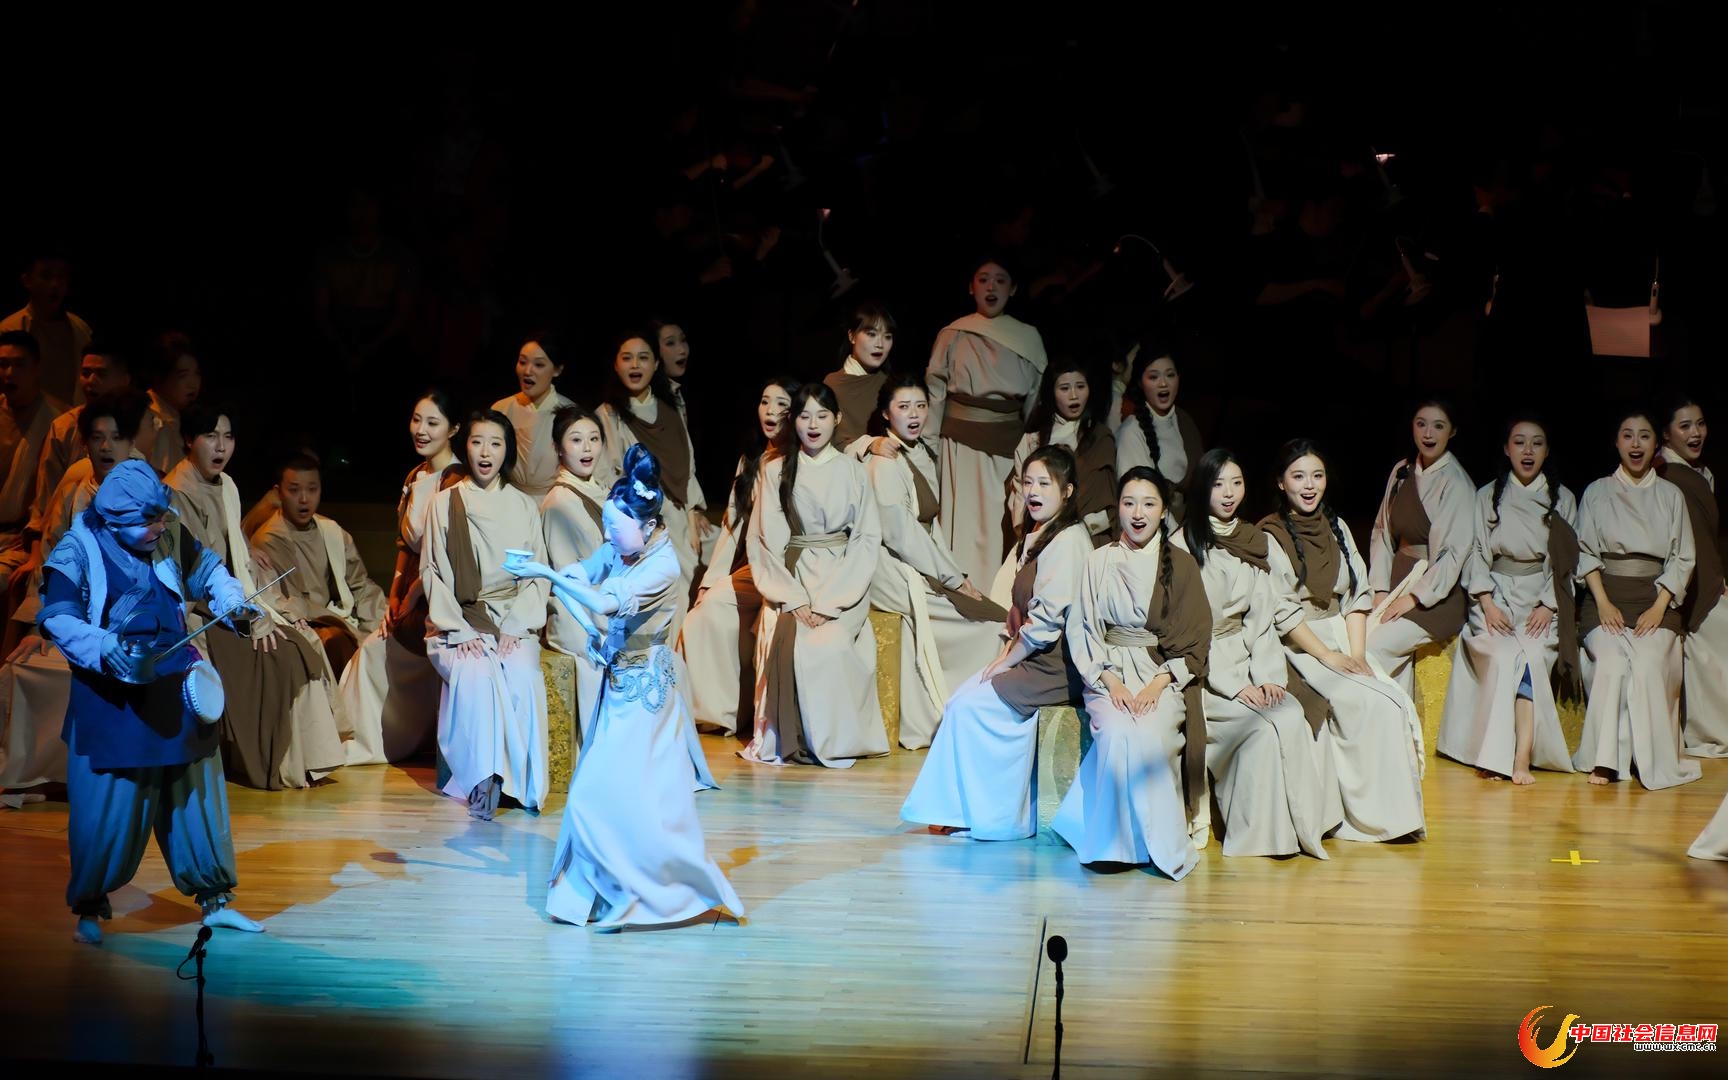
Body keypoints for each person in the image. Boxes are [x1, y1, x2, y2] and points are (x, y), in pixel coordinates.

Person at [514, 445, 744, 929]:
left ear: (648, 525)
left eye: (615, 528)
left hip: (645, 697)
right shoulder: (623, 544)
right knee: (620, 797)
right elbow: (584, 575)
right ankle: (605, 895)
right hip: (620, 684)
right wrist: (565, 580)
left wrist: (545, 573)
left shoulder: (662, 567)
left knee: (600, 795)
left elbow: (601, 602)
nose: (608, 535)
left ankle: (634, 894)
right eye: (607, 526)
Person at [38, 460, 265, 944]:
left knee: (197, 797)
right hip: (113, 691)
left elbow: (210, 572)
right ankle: (89, 910)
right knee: (109, 809)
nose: (161, 527)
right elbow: (57, 618)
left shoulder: (168, 531)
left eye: (163, 517)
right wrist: (103, 645)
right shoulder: (77, 550)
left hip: (175, 683)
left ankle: (215, 901)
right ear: (114, 521)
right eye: (149, 521)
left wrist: (231, 601)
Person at [900, 446, 1091, 839]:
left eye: (1045, 483)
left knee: (971, 709)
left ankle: (996, 814)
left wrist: (1008, 661)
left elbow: (1046, 622)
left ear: (1067, 491)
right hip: (1034, 657)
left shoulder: (1070, 541)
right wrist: (1007, 653)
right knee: (957, 701)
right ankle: (957, 807)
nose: (1033, 491)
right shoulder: (1039, 535)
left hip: (1057, 664)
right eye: (1028, 482)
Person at [162, 408, 348, 790]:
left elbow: (233, 550)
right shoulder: (176, 492)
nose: (220, 446)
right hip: (202, 609)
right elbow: (196, 568)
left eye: (228, 437)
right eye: (210, 436)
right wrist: (248, 616)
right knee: (281, 653)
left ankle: (313, 760)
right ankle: (279, 765)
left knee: (304, 637)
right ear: (189, 440)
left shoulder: (227, 485)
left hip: (237, 595)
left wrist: (265, 585)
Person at [1261, 439, 1424, 843]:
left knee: (1390, 700)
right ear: (1281, 483)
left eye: (1317, 476)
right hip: (1300, 646)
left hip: (1341, 636)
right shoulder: (1270, 534)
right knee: (1365, 703)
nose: (1309, 485)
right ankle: (1363, 818)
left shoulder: (1338, 527)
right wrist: (1328, 656)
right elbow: (1283, 611)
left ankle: (1392, 817)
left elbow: (1357, 596)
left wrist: (1356, 653)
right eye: (1299, 477)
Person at [1052, 467, 1210, 876]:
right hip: (1108, 669)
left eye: (1149, 504)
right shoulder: (1098, 560)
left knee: (1150, 733)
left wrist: (1158, 685)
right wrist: (1111, 681)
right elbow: (1082, 627)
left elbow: (1196, 638)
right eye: (1129, 503)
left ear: (1164, 511)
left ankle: (1157, 846)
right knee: (1119, 730)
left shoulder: (1182, 565)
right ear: (1118, 508)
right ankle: (1112, 846)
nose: (1138, 513)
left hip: (1162, 672)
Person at [1175, 450, 1329, 858]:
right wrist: (1233, 684)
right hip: (1205, 673)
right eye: (1218, 484)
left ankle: (1304, 833)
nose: (1229, 493)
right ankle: (1261, 837)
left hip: (1250, 662)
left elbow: (1262, 616)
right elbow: (1188, 630)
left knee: (1290, 713)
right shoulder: (1183, 544)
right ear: (1202, 488)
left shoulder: (1252, 539)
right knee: (1260, 730)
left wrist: (1268, 677)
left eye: (1236, 483)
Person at [0, 390, 152, 792]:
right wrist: (41, 626)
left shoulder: (148, 493)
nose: (105, 447)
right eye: (97, 438)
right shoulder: (74, 486)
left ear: (130, 442)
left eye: (115, 437)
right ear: (85, 443)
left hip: (131, 625)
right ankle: (38, 774)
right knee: (21, 668)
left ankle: (104, 774)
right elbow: (52, 559)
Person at [742, 382, 885, 767]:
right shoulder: (775, 470)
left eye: (822, 415)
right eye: (805, 416)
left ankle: (838, 740)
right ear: (794, 421)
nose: (813, 424)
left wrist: (832, 601)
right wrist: (794, 598)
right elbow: (763, 541)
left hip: (841, 580)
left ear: (837, 419)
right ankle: (798, 738)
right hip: (795, 576)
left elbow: (866, 539)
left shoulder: (853, 471)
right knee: (801, 641)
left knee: (829, 643)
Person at [422, 409, 551, 818]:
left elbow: (536, 574)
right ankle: (483, 781)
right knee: (477, 674)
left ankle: (518, 783)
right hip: (459, 620)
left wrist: (516, 623)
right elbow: (433, 572)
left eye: (495, 444)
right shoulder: (444, 503)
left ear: (507, 450)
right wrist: (460, 629)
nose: (485, 452)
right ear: (466, 446)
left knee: (522, 674)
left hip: (513, 618)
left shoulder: (524, 505)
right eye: (477, 442)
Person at [866, 374, 1005, 749]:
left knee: (991, 612)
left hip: (922, 560)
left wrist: (956, 574)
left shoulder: (921, 453)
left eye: (920, 406)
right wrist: (952, 579)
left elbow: (930, 529)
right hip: (893, 567)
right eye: (903, 407)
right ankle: (956, 710)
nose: (914, 415)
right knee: (986, 625)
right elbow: (901, 534)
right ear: (886, 413)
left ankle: (979, 708)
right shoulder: (885, 463)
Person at [1437, 417, 1580, 783]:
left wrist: (1548, 604)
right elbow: (1476, 553)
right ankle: (1493, 752)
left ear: (1547, 451)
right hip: (1496, 595)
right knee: (1502, 656)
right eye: (1519, 442)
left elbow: (1566, 562)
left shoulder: (1563, 499)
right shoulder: (1487, 496)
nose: (1528, 451)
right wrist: (1486, 603)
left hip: (1541, 597)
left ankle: (1521, 756)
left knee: (1531, 655)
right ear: (1506, 449)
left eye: (1537, 443)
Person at [1572, 410, 1700, 789]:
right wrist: (1603, 602)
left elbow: (1683, 557)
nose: (1635, 444)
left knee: (1646, 664)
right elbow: (1585, 552)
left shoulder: (1670, 495)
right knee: (1612, 662)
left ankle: (1649, 761)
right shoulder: (1597, 492)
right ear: (1616, 442)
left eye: (1644, 436)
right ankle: (1605, 760)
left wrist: (1660, 606)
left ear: (1656, 444)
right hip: (1606, 597)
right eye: (1627, 435)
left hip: (1655, 599)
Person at [336, 391, 464, 764]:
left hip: (438, 595)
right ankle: (355, 735)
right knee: (369, 650)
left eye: (433, 423)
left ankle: (383, 741)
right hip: (411, 591)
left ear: (453, 429)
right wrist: (394, 595)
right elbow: (405, 545)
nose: (421, 430)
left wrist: (412, 598)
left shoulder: (455, 479)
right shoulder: (415, 475)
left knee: (374, 653)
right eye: (416, 420)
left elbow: (445, 555)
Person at [677, 377, 793, 736]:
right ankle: (718, 714)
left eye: (782, 404)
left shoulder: (802, 457)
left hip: (791, 569)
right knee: (702, 615)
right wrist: (710, 582)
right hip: (754, 569)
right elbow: (732, 524)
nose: (770, 411)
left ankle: (739, 711)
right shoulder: (752, 459)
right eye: (765, 401)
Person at [926, 258, 1048, 586]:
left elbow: (1035, 401)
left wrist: (1025, 447)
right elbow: (936, 395)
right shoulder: (953, 333)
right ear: (971, 287)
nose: (991, 287)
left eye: (1000, 280)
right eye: (983, 279)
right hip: (957, 448)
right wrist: (929, 447)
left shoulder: (1028, 338)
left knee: (998, 528)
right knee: (961, 525)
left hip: (1006, 449)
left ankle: (994, 598)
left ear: (1013, 288)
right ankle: (957, 595)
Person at [595, 331, 708, 636]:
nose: (635, 364)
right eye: (627, 358)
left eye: (643, 358)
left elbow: (687, 462)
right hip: (638, 518)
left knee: (684, 580)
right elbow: (607, 475)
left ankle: (679, 656)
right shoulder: (609, 415)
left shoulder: (671, 408)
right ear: (616, 365)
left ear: (656, 364)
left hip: (676, 512)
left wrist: (692, 511)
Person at [1367, 401, 1477, 694]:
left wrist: (1414, 598)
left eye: (1438, 426)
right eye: (1421, 424)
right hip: (1397, 579)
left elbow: (1453, 554)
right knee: (1359, 639)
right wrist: (1380, 589)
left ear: (1452, 431)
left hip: (1437, 595)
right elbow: (1382, 531)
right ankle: (1397, 722)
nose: (1428, 433)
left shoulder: (1456, 482)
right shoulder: (1401, 471)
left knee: (1372, 648)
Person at [250, 453, 387, 680]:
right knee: (335, 642)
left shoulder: (331, 531)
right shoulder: (269, 540)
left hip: (335, 615)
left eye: (312, 489)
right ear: (279, 492)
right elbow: (284, 602)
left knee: (388, 634)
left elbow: (360, 584)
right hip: (299, 624)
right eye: (294, 490)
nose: (304, 499)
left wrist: (375, 625)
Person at [1657, 397, 1728, 758]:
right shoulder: (1667, 474)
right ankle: (1711, 733)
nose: (1695, 433)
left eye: (1699, 424)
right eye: (1684, 426)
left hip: (1709, 579)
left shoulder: (1698, 472)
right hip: (1686, 588)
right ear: (1666, 434)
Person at [540, 403, 611, 739]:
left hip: (605, 602)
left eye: (594, 439)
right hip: (579, 614)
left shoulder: (603, 490)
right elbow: (567, 576)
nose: (587, 448)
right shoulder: (559, 502)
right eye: (576, 439)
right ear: (558, 448)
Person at [1007, 354, 1116, 547]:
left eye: (1080, 387)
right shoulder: (1033, 440)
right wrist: (1034, 535)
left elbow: (1108, 505)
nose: (1074, 395)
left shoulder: (1100, 438)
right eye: (1064, 388)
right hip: (1039, 539)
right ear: (1051, 393)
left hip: (1088, 540)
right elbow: (1020, 496)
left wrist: (1072, 531)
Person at [32, 343, 131, 532]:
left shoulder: (141, 424)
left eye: (101, 374)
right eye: (86, 373)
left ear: (124, 380)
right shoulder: (63, 427)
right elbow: (46, 501)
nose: (91, 381)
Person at [0, 331, 68, 594]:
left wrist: (35, 548)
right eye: (3, 365)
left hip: (22, 542)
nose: (9, 373)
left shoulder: (58, 422)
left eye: (19, 365)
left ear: (37, 368)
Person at [1114, 342, 1204, 524]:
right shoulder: (1131, 431)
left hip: (1188, 525)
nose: (1163, 383)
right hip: (1154, 528)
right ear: (1140, 382)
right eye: (1153, 377)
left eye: (1170, 375)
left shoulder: (1184, 421)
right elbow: (1139, 499)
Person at [0, 253, 94, 405]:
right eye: (46, 276)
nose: (55, 284)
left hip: (72, 414)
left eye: (61, 277)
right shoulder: (9, 329)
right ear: (27, 280)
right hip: (25, 415)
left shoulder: (80, 329)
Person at [492, 335, 573, 501]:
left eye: (539, 364)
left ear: (557, 370)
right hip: (508, 499)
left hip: (553, 502)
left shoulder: (570, 414)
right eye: (522, 362)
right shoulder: (501, 409)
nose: (528, 371)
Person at [823, 301, 896, 451]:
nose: (880, 344)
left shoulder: (891, 383)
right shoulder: (833, 384)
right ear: (852, 336)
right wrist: (868, 445)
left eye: (887, 336)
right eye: (871, 334)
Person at [139, 333, 202, 477]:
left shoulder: (175, 415)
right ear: (160, 376)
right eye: (182, 375)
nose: (192, 384)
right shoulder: (153, 419)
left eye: (197, 374)